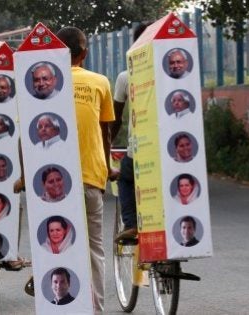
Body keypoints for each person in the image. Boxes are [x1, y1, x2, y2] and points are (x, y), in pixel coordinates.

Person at [55, 26, 117, 312]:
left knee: (55, 246)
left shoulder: (43, 82)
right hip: (92, 177)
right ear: (85, 53)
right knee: (94, 251)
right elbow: (106, 133)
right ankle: (96, 310)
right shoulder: (100, 82)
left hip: (52, 183)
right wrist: (108, 168)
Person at [110, 23, 149, 242]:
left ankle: (132, 224)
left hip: (140, 152)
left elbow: (116, 121)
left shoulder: (126, 77)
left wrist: (106, 144)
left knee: (124, 178)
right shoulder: (173, 73)